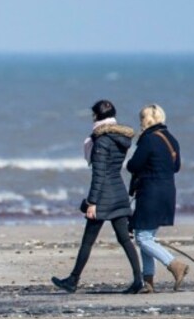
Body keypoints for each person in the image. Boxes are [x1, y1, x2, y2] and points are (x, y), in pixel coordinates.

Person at [52, 100, 143, 294]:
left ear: (96, 116)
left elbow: (99, 174)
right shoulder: (120, 137)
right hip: (118, 191)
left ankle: (73, 280)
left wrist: (92, 202)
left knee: (88, 241)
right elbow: (111, 169)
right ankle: (138, 280)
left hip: (104, 196)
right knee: (125, 240)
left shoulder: (101, 140)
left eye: (92, 115)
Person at [127, 104, 188, 293]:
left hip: (151, 192)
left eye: (141, 120)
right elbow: (176, 166)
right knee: (147, 237)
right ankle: (148, 282)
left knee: (143, 238)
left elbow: (133, 165)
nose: (140, 124)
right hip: (167, 192)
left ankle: (174, 264)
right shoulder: (171, 139)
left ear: (147, 121)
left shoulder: (149, 140)